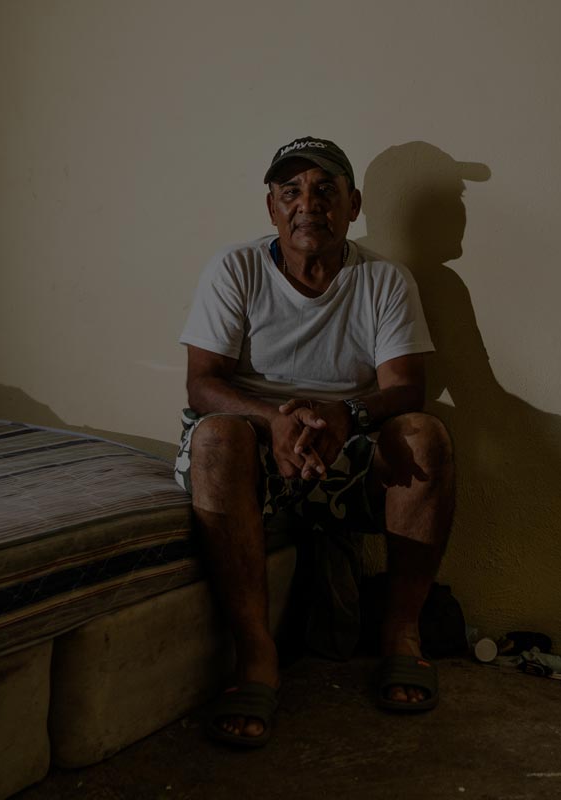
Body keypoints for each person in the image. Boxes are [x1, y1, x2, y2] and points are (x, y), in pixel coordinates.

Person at [175, 136, 455, 748]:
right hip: (252, 442)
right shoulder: (236, 268)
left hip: (344, 442)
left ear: (354, 205)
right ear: (271, 207)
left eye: (326, 190)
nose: (309, 204)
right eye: (291, 191)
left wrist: (345, 417)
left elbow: (406, 389)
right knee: (216, 438)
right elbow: (202, 385)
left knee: (425, 438)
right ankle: (256, 657)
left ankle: (401, 635)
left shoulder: (384, 279)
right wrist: (275, 420)